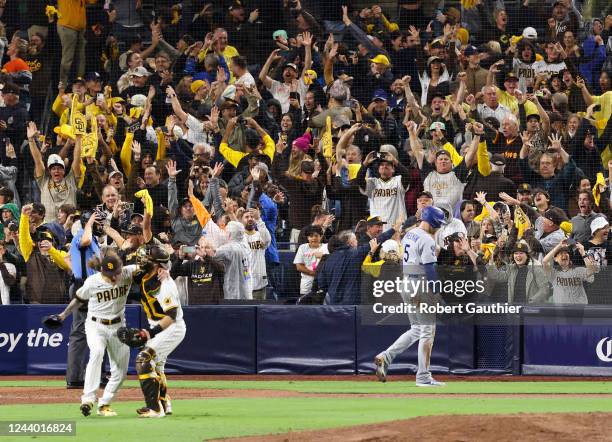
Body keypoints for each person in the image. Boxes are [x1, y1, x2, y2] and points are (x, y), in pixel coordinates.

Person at [53, 252, 136, 417]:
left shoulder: (128, 272)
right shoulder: (92, 282)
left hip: (119, 326)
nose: (114, 278)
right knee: (97, 352)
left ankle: (104, 403)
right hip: (95, 325)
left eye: (116, 273)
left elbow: (152, 266)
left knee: (121, 370)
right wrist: (63, 315)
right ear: (102, 272)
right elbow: (78, 299)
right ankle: (88, 399)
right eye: (110, 275)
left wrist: (162, 267)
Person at [374, 205, 446, 387]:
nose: (438, 227)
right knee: (428, 331)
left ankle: (386, 356)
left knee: (416, 329)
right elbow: (430, 269)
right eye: (437, 224)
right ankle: (423, 377)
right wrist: (436, 292)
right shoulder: (428, 240)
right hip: (420, 284)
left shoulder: (409, 234)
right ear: (430, 221)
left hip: (406, 283)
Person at [132, 245, 186, 417]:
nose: (142, 261)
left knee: (144, 359)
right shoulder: (147, 275)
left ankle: (154, 409)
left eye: (146, 259)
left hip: (171, 327)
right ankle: (163, 403)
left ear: (157, 264)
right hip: (160, 327)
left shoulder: (165, 283)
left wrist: (150, 333)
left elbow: (171, 315)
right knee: (158, 367)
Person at [543, 240, 597, 304]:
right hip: (562, 309)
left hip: (579, 308)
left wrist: (583, 253)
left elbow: (592, 270)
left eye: (566, 252)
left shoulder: (578, 270)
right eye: (561, 253)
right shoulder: (553, 274)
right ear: (555, 259)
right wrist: (559, 246)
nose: (564, 254)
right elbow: (545, 261)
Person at [294, 225, 328, 296]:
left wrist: (323, 256)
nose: (313, 238)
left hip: (323, 287)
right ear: (307, 237)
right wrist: (314, 274)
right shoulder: (302, 247)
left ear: (321, 236)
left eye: (316, 236)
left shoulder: (326, 247)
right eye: (311, 236)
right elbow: (299, 266)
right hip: (306, 287)